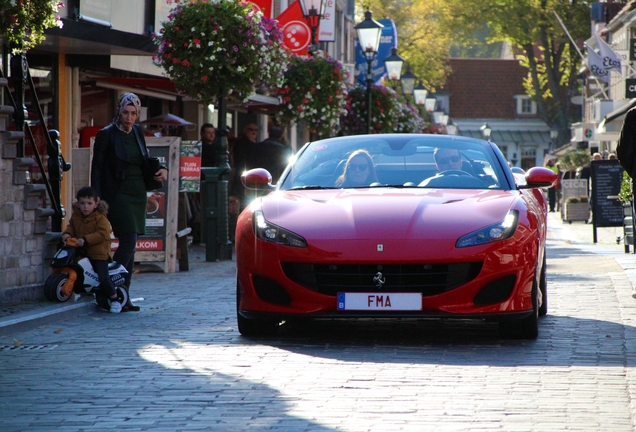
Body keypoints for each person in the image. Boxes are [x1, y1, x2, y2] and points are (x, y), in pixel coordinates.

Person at [91, 93, 168, 312]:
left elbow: (144, 159)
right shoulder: (106, 134)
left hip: (137, 193)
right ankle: (106, 287)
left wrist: (161, 171)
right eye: (125, 112)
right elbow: (96, 167)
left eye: (134, 113)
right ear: (118, 111)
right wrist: (96, 196)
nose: (129, 117)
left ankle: (124, 295)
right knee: (129, 241)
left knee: (131, 247)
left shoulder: (136, 131)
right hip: (117, 193)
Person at [61, 186, 121, 313]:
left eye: (89, 203)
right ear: (78, 203)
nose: (85, 207)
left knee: (103, 276)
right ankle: (85, 293)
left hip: (98, 254)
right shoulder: (76, 216)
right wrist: (67, 234)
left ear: (96, 203)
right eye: (82, 203)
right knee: (79, 271)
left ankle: (115, 299)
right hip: (82, 252)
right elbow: (71, 226)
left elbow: (102, 234)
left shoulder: (101, 218)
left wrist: (85, 239)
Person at [230, 122, 259, 206]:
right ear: (245, 131)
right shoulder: (241, 144)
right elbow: (240, 161)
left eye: (256, 130)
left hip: (250, 178)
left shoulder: (254, 145)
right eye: (251, 130)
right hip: (243, 178)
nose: (253, 132)